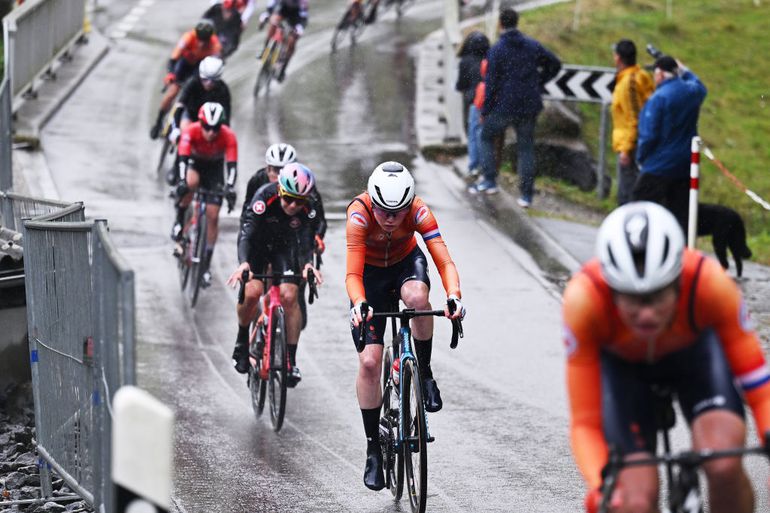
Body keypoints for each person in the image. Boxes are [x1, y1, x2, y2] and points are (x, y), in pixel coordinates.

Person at [562, 201, 770, 513]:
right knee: (633, 501)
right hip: (626, 372)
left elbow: (760, 388)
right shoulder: (584, 300)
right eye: (632, 299)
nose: (646, 314)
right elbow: (585, 423)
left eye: (657, 297)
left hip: (695, 360)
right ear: (611, 288)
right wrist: (600, 485)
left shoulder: (710, 283)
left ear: (678, 282)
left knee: (723, 463)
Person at [346, 161, 466, 490]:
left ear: (409, 203)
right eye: (384, 210)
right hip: (369, 277)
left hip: (404, 265)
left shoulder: (419, 211)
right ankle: (373, 447)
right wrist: (359, 303)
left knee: (417, 298)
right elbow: (353, 274)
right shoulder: (358, 214)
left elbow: (443, 259)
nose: (389, 218)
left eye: (398, 212)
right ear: (373, 200)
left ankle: (423, 372)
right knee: (370, 361)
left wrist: (454, 296)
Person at [228, 163, 323, 385]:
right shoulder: (263, 198)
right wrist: (244, 264)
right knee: (252, 292)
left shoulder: (309, 206)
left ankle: (290, 360)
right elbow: (247, 235)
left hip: (285, 248)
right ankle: (242, 341)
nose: (293, 205)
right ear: (280, 191)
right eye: (288, 198)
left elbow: (307, 240)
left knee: (290, 296)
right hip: (258, 248)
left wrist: (308, 265)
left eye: (299, 201)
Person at [471, 8, 561, 202]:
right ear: (517, 22)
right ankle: (526, 195)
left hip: (504, 106)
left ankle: (489, 180)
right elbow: (555, 64)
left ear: (500, 24)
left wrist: (485, 111)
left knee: (486, 136)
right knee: (526, 148)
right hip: (529, 105)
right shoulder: (532, 45)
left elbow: (492, 83)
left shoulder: (497, 50)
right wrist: (539, 82)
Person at [240, 143, 327, 330]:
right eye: (274, 170)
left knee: (292, 296)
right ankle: (256, 324)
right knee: (255, 288)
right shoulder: (258, 183)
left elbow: (316, 221)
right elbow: (247, 220)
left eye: (282, 169)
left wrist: (317, 239)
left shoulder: (304, 184)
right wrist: (244, 257)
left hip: (290, 241)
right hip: (261, 237)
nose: (277, 174)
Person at [633, 55, 707, 230]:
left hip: (658, 165)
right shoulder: (692, 92)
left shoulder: (658, 98)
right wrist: (685, 71)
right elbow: (701, 86)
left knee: (638, 209)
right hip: (684, 165)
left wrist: (641, 158)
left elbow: (649, 135)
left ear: (659, 74)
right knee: (678, 215)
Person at [171, 102, 238, 287]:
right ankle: (178, 221)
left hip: (214, 170)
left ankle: (206, 266)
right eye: (207, 127)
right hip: (194, 163)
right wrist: (183, 182)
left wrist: (230, 187)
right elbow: (183, 158)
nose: (211, 132)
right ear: (200, 123)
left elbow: (232, 167)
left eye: (215, 128)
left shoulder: (228, 136)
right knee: (190, 183)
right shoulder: (191, 131)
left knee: (213, 216)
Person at [150, 19, 222, 139]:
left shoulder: (215, 45)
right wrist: (171, 74)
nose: (201, 44)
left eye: (205, 41)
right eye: (199, 39)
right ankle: (158, 123)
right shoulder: (188, 37)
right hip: (184, 64)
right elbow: (174, 57)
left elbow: (214, 66)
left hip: (199, 67)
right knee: (171, 93)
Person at [610, 39, 653, 206]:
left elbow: (634, 118)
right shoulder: (640, 75)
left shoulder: (629, 83)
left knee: (627, 192)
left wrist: (626, 150)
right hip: (636, 141)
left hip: (632, 144)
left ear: (618, 58)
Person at [258, 0, 308, 83]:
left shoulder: (302, 2)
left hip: (296, 17)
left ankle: (282, 70)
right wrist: (267, 14)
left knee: (292, 41)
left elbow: (304, 17)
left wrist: (300, 28)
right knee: (272, 25)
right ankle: (264, 51)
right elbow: (272, 4)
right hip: (282, 10)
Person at [455, 31, 490, 134]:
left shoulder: (465, 61)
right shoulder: (491, 59)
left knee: (472, 129)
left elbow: (461, 84)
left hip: (471, 99)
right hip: (488, 98)